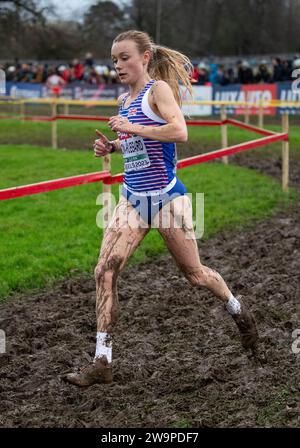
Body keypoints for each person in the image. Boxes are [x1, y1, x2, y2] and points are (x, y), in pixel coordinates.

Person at [64, 30, 258, 387]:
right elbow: (138, 145)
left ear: (145, 57)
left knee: (195, 275)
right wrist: (113, 148)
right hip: (133, 199)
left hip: (168, 199)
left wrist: (131, 127)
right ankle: (102, 361)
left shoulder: (159, 91)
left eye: (124, 57)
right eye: (114, 60)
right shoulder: (125, 100)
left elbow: (179, 132)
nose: (118, 65)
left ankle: (237, 308)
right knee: (104, 271)